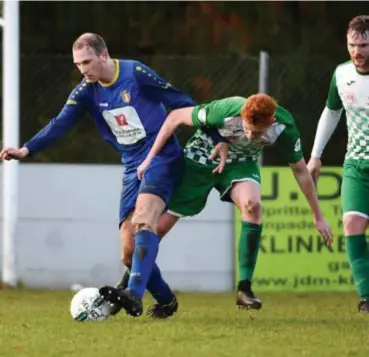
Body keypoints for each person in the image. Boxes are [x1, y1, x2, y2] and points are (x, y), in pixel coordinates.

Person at [0, 32, 200, 318]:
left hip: (161, 156)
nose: (83, 70)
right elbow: (60, 123)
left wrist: (211, 131)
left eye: (87, 62)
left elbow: (180, 100)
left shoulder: (135, 73)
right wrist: (26, 149)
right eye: (78, 64)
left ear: (103, 55)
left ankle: (133, 294)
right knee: (128, 253)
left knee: (144, 218)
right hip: (132, 164)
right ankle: (166, 301)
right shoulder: (86, 90)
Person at [113, 93, 333, 311]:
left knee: (253, 206)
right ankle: (129, 283)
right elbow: (175, 117)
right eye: (246, 127)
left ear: (271, 121)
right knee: (157, 228)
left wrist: (318, 216)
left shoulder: (284, 127)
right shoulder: (226, 109)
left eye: (257, 133)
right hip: (200, 160)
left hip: (240, 164)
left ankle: (244, 289)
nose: (250, 135)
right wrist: (149, 159)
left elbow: (301, 171)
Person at [307, 15, 369, 313]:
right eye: (352, 45)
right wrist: (316, 155)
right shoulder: (341, 74)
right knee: (351, 224)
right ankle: (367, 298)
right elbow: (332, 113)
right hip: (356, 165)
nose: (357, 52)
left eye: (364, 45)